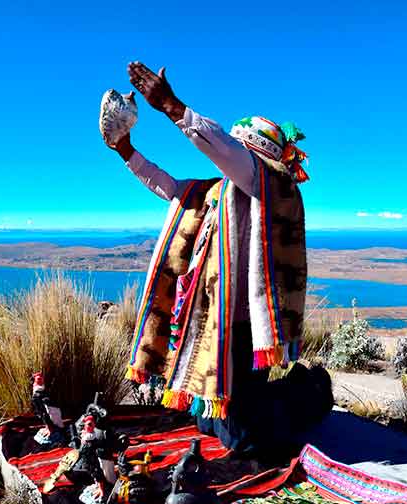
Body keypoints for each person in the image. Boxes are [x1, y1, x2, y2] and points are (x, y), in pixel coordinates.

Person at [105, 62, 332, 457]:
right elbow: (168, 186)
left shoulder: (270, 185)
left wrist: (174, 108)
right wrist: (125, 150)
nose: (230, 157)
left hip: (242, 323)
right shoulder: (216, 192)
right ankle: (278, 394)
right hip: (208, 315)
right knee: (209, 417)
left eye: (240, 151)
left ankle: (311, 392)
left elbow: (223, 149)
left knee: (245, 441)